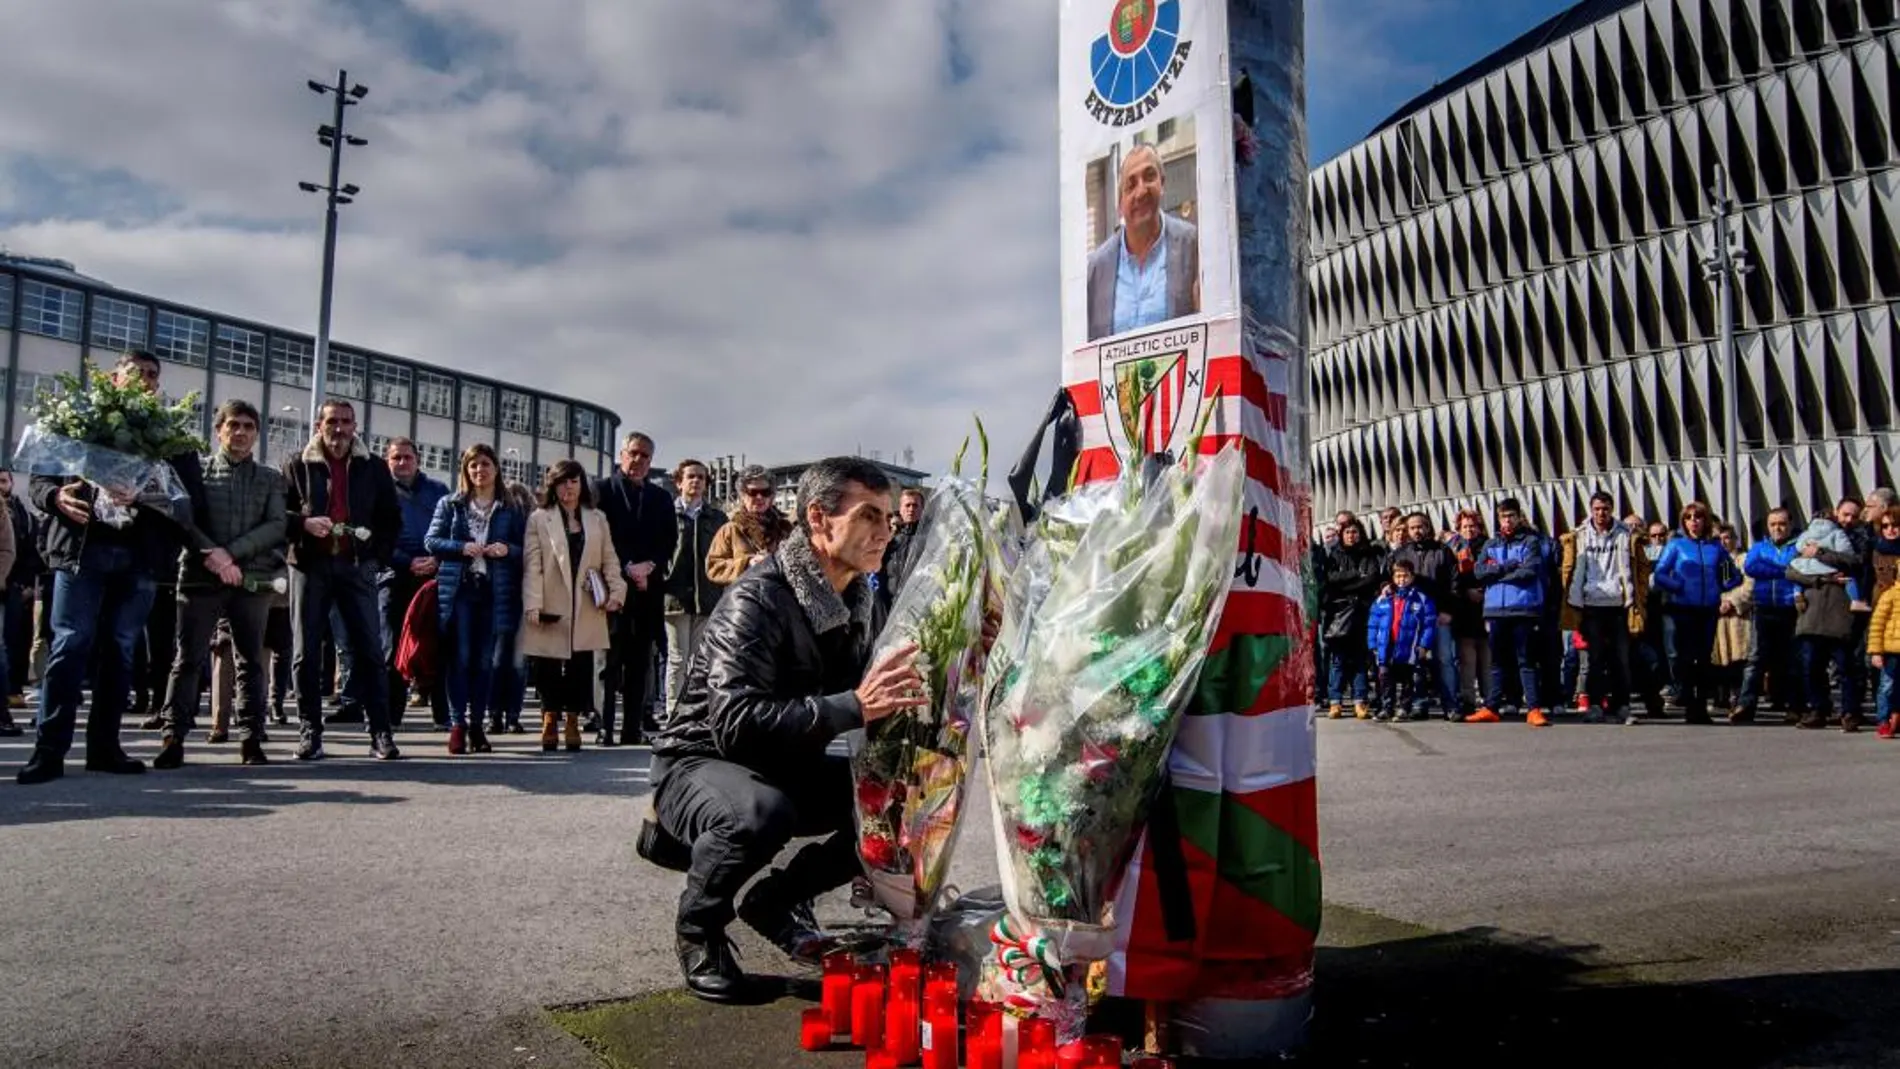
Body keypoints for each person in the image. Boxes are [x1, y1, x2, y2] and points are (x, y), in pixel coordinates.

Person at [646, 458, 924, 1001]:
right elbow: (735, 723)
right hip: (700, 759)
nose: (885, 531)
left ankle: (776, 900)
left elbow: (878, 687)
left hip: (783, 754)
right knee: (759, 815)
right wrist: (853, 706)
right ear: (819, 519)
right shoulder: (758, 598)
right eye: (869, 515)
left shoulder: (855, 599)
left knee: (887, 805)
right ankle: (699, 928)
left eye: (890, 518)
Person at [18, 351, 204, 785]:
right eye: (136, 373)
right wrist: (56, 499)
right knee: (70, 645)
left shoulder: (170, 437)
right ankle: (49, 751)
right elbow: (42, 480)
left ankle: (104, 747)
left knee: (121, 651)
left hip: (137, 558)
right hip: (82, 552)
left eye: (153, 376)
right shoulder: (78, 423)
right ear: (113, 379)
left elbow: (187, 500)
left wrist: (147, 496)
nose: (145, 381)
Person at [152, 400, 287, 769]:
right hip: (199, 576)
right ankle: (173, 736)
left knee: (250, 662)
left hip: (250, 579)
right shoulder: (198, 473)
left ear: (257, 433)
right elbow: (183, 518)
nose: (240, 432)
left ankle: (251, 738)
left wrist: (231, 554)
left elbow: (277, 525)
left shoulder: (271, 478)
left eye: (248, 426)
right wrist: (211, 554)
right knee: (188, 659)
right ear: (219, 430)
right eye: (233, 425)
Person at [283, 399, 403, 762]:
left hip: (356, 567)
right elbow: (278, 511)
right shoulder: (296, 464)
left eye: (346, 422)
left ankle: (380, 732)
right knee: (305, 654)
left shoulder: (374, 467)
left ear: (355, 426)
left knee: (370, 650)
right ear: (319, 425)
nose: (339, 429)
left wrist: (375, 557)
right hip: (309, 565)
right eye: (332, 421)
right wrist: (302, 524)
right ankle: (310, 733)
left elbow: (391, 517)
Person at [423, 444, 523, 756]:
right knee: (460, 658)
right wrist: (460, 548)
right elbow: (431, 541)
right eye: (473, 466)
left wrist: (506, 550)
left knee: (485, 661)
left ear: (496, 469)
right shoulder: (450, 504)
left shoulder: (510, 508)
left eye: (485, 464)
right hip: (460, 591)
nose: (479, 471)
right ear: (465, 471)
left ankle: (478, 724)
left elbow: (525, 549)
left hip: (494, 591)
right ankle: (457, 724)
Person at [521, 460, 626, 752]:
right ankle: (550, 719)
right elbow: (532, 564)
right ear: (553, 485)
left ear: (582, 485)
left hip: (586, 600)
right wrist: (533, 601)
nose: (568, 487)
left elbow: (609, 558)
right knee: (547, 664)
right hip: (550, 597)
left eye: (574, 481)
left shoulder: (597, 518)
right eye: (563, 481)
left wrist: (617, 591)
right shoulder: (540, 518)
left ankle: (572, 720)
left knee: (581, 664)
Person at [594, 432, 677, 747]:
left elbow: (669, 541)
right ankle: (605, 726)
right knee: (608, 662)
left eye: (645, 456)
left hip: (647, 591)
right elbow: (600, 537)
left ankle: (632, 728)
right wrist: (628, 566)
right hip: (612, 588)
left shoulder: (661, 498)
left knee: (640, 663)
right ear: (622, 454)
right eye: (633, 453)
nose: (638, 460)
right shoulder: (602, 491)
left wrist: (649, 567)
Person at [1085, 143, 1200, 341]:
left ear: (1162, 183)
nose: (1141, 191)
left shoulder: (1191, 246)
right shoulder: (1096, 268)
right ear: (1120, 204)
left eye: (1149, 177)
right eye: (1131, 185)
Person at [1650, 502, 1742, 725]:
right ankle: (1689, 702)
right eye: (1689, 517)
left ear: (1705, 521)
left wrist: (1718, 587)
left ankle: (1700, 705)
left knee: (1703, 659)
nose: (1694, 521)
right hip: (1683, 607)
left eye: (1698, 517)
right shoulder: (1676, 546)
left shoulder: (1715, 548)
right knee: (1684, 658)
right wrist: (1677, 586)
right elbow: (1660, 574)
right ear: (1684, 521)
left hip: (1707, 609)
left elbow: (1734, 575)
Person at [1560, 492, 1647, 725]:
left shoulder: (1625, 534)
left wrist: (1638, 597)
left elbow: (1641, 570)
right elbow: (1570, 571)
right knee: (1594, 659)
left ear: (1612, 509)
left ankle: (1622, 706)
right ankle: (1596, 705)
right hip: (1591, 604)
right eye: (1597, 508)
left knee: (1621, 659)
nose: (1601, 513)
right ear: (1591, 510)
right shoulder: (1579, 536)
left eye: (1605, 508)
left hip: (1619, 604)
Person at [382, 437, 449, 730]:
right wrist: (405, 561)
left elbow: (452, 528)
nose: (402, 463)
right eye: (396, 458)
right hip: (395, 576)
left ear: (418, 460)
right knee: (393, 647)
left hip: (435, 575)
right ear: (388, 461)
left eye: (407, 457)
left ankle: (443, 716)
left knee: (439, 646)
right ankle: (390, 715)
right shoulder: (379, 492)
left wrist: (436, 559)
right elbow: (376, 536)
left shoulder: (439, 492)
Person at [1474, 498, 1552, 726]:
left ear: (1519, 517)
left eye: (1511, 516)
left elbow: (1530, 570)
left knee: (1525, 659)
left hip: (1523, 608)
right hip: (1495, 609)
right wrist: (1505, 567)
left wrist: (1496, 575)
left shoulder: (1530, 541)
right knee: (1497, 661)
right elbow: (1479, 572)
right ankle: (1491, 706)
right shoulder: (1491, 544)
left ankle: (1534, 708)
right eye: (1503, 517)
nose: (1507, 521)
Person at [664, 459, 728, 720]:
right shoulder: (667, 513)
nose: (696, 481)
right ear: (679, 481)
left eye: (701, 477)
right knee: (677, 658)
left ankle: (696, 711)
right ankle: (673, 711)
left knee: (701, 660)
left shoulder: (717, 517)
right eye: (691, 476)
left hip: (707, 596)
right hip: (675, 595)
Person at [1788, 514, 1860, 730]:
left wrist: (1819, 553)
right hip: (1811, 613)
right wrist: (1822, 579)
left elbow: (1852, 562)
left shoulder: (1842, 539)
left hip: (1838, 612)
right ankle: (1818, 708)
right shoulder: (1803, 542)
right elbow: (1791, 571)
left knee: (1845, 666)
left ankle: (1850, 711)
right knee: (1812, 666)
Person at [1736, 508, 1804, 724]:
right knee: (1756, 659)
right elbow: (1752, 567)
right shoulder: (1759, 548)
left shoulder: (1798, 547)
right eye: (1773, 524)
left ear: (1790, 524)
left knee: (1793, 660)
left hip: (1790, 607)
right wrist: (1785, 570)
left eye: (1782, 523)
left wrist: (1779, 569)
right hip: (1764, 607)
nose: (1777, 528)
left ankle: (1795, 706)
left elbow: (1801, 569)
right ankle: (1746, 705)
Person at [1390, 512, 1460, 719]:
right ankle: (1418, 704)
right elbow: (1392, 579)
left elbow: (1454, 583)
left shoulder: (1443, 552)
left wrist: (1448, 611)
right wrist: (1387, 588)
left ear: (1428, 527)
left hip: (1439, 615)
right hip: (1411, 618)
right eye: (1412, 528)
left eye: (1420, 527)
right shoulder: (1401, 553)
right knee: (1415, 661)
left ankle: (1451, 705)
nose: (1416, 531)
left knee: (1445, 659)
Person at [1320, 517, 1385, 719]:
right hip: (1339, 613)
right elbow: (1330, 580)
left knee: (1359, 660)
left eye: (1355, 532)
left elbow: (1371, 579)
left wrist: (1347, 583)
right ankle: (1335, 701)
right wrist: (1355, 575)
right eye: (1347, 532)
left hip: (1362, 612)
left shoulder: (1368, 553)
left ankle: (1360, 700)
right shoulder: (1334, 555)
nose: (1351, 536)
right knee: (1337, 660)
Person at [1366, 559, 1435, 722]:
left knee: (1407, 679)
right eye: (1398, 576)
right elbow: (1373, 623)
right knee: (1384, 677)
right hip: (1386, 646)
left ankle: (1404, 707)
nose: (1401, 580)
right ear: (1392, 577)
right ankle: (1386, 707)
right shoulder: (1383, 599)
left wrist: (1424, 645)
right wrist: (1372, 644)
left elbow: (1429, 624)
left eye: (1405, 576)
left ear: (1412, 577)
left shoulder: (1422, 599)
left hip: (1408, 647)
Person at [0, 470, 44, 714]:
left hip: (14, 585)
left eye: (4, 481)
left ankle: (12, 691)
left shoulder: (22, 514)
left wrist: (26, 584)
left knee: (14, 641)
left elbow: (23, 550)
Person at [706, 465, 792, 586]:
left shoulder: (785, 527)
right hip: (743, 599)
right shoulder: (731, 529)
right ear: (742, 495)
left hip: (779, 598)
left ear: (772, 496)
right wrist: (748, 563)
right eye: (753, 492)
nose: (759, 497)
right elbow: (714, 568)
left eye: (765, 492)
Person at [1445, 510, 1490, 718]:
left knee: (1487, 657)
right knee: (1466, 658)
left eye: (1472, 526)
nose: (1469, 530)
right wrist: (1465, 592)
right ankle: (1468, 699)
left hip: (1487, 607)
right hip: (1464, 608)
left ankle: (1491, 699)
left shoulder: (1489, 546)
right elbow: (1451, 578)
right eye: (1465, 526)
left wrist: (1483, 591)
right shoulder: (1453, 548)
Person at [880, 487, 926, 597]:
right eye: (907, 505)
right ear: (900, 509)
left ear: (922, 509)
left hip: (915, 602)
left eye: (915, 505)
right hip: (888, 604)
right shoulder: (889, 540)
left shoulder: (929, 540)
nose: (911, 509)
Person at [1871, 566, 1900, 737]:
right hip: (1891, 650)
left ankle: (1895, 718)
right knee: (1887, 686)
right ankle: (1883, 720)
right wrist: (1876, 651)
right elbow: (1877, 625)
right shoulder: (1890, 595)